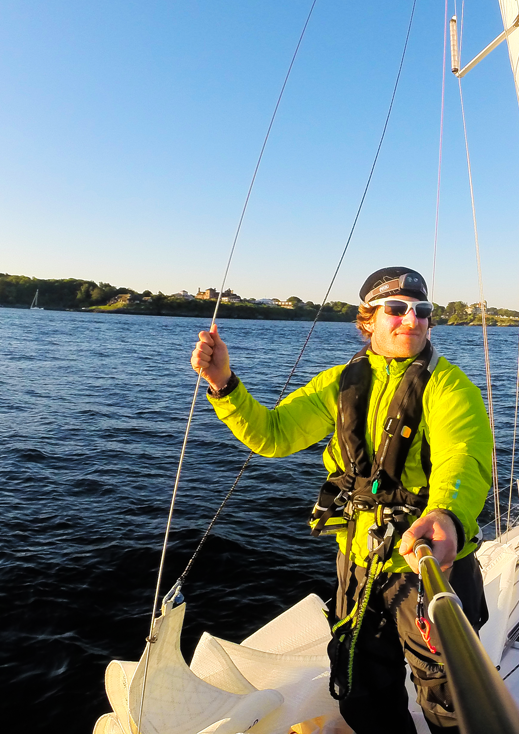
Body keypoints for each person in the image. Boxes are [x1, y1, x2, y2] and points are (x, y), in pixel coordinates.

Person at [191, 266, 493, 734]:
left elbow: (465, 455)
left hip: (428, 564)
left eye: (422, 311)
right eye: (396, 309)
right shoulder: (340, 384)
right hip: (358, 564)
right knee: (361, 689)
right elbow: (272, 435)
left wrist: (446, 514)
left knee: (450, 698)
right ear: (368, 319)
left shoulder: (450, 388)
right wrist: (223, 383)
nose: (411, 320)